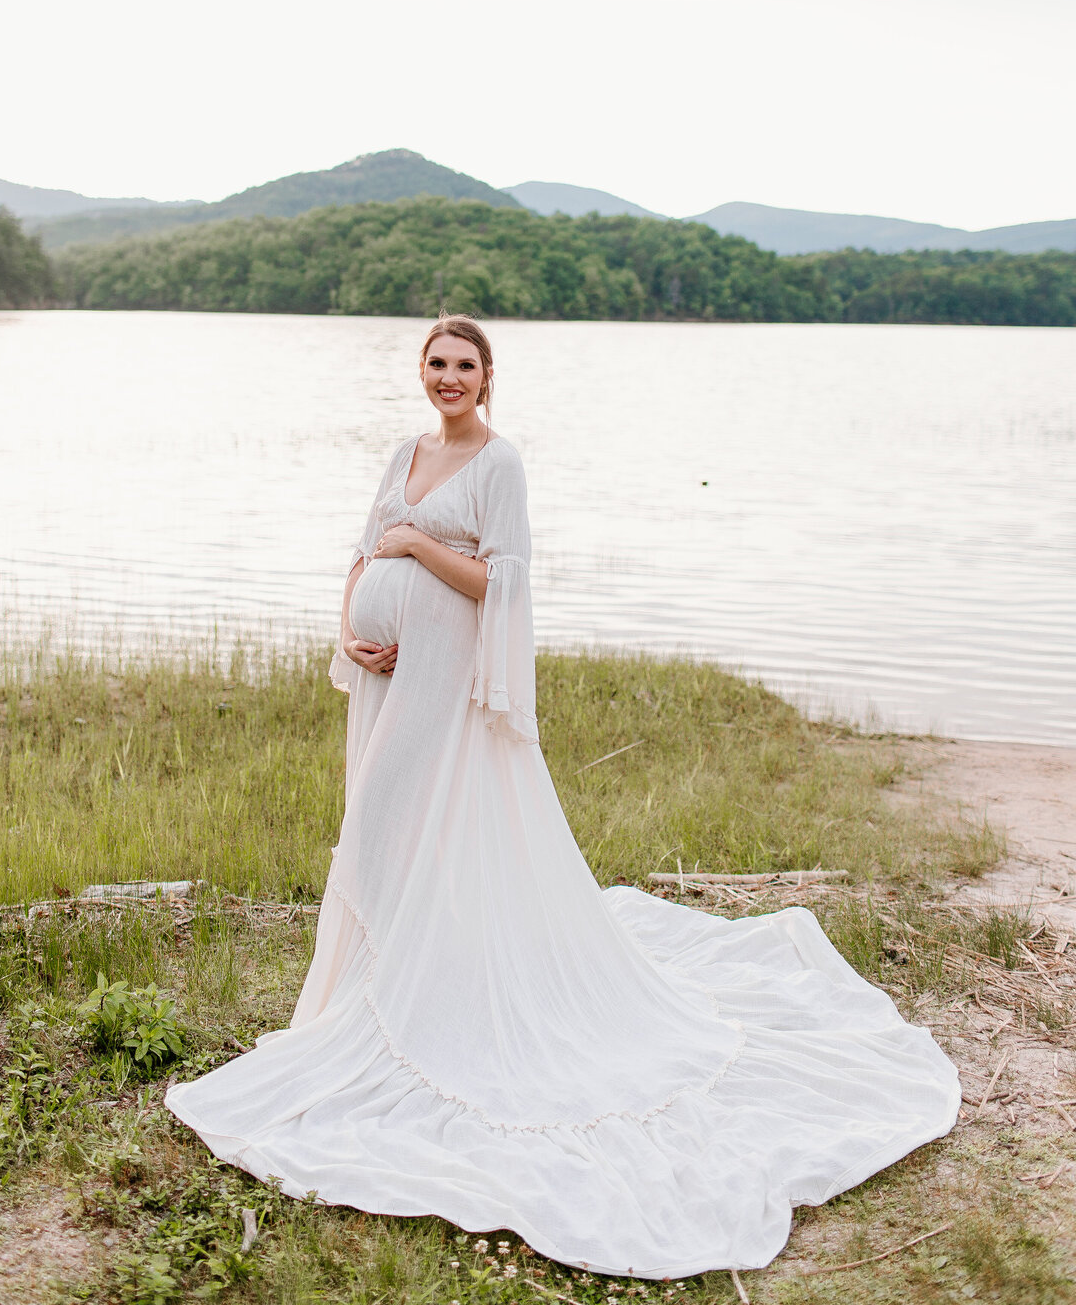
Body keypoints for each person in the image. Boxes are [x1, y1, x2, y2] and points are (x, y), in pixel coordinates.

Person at [167, 315, 959, 1279]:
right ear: (420, 373)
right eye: (435, 364)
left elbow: (503, 580)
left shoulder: (499, 466)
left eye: (464, 366)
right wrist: (352, 636)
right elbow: (357, 557)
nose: (448, 378)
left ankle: (406, 1019)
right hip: (383, 673)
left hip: (442, 679)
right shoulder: (403, 450)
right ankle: (358, 1005)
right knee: (379, 829)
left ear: (488, 378)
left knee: (390, 827)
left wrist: (416, 546)